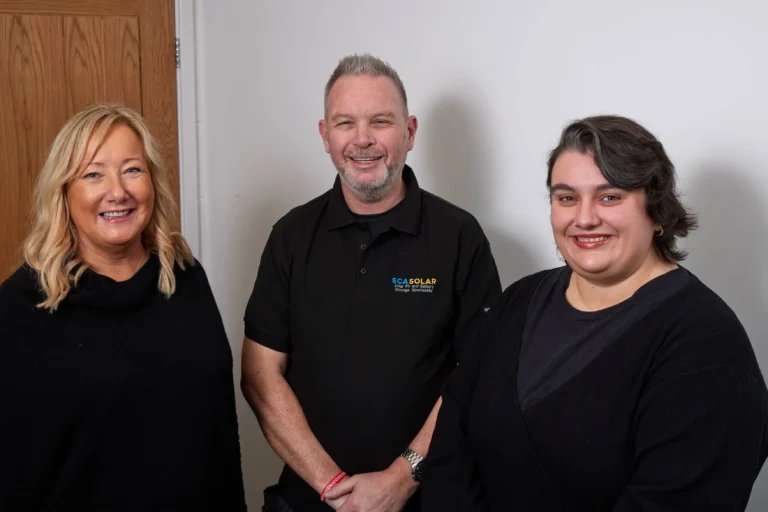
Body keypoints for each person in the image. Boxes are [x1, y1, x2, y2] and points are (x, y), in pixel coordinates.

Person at [421, 114, 768, 511]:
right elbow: (452, 435)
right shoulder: (519, 300)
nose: (584, 219)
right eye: (567, 198)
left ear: (656, 210)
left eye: (610, 197)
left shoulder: (707, 345)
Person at [241, 54, 502, 512]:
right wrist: (333, 487)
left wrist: (402, 478)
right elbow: (260, 376)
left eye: (380, 121)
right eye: (345, 123)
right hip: (311, 498)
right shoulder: (291, 236)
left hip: (429, 499)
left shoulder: (459, 236)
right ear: (325, 136)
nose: (362, 139)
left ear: (410, 132)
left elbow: (479, 377)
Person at [0, 104, 246, 510]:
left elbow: (218, 431)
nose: (117, 191)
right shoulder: (21, 306)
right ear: (64, 191)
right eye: (93, 174)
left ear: (152, 181)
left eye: (132, 170)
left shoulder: (183, 276)